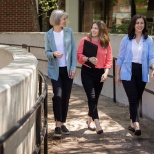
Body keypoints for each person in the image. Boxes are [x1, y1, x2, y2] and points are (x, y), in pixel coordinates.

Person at [116, 14, 154, 136]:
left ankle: (131, 122)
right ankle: (137, 124)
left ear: (144, 25)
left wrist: (153, 68)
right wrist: (117, 74)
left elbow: (151, 57)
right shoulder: (126, 39)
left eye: (142, 23)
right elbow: (120, 58)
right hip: (128, 71)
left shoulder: (148, 40)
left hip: (142, 72)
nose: (139, 25)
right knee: (133, 98)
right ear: (133, 24)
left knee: (136, 98)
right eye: (137, 23)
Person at [44, 9, 76, 137]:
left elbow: (73, 50)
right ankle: (57, 124)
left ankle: (62, 123)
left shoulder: (69, 32)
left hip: (68, 70)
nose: (65, 21)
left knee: (66, 97)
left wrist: (73, 67)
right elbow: (47, 52)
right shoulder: (48, 35)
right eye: (64, 19)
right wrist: (53, 54)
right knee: (57, 96)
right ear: (57, 20)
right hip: (55, 70)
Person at [77, 20, 113, 134]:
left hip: (100, 73)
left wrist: (106, 73)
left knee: (95, 99)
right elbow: (79, 56)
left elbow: (109, 60)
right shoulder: (85, 40)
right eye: (92, 28)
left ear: (101, 30)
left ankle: (89, 120)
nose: (93, 30)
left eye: (96, 28)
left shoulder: (106, 43)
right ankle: (97, 122)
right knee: (91, 97)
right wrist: (88, 59)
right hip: (87, 72)